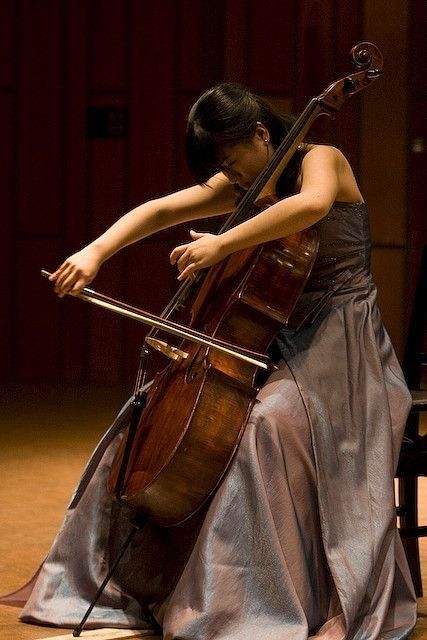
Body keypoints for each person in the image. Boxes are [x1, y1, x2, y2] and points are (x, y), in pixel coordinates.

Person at [5, 83, 417, 638]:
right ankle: (142, 583)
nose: (231, 175)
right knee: (150, 414)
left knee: (265, 426)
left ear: (261, 133)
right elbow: (163, 209)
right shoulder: (245, 183)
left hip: (344, 343)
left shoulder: (321, 160)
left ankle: (252, 602)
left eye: (231, 160)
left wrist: (221, 245)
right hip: (278, 340)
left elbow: (312, 206)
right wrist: (94, 251)